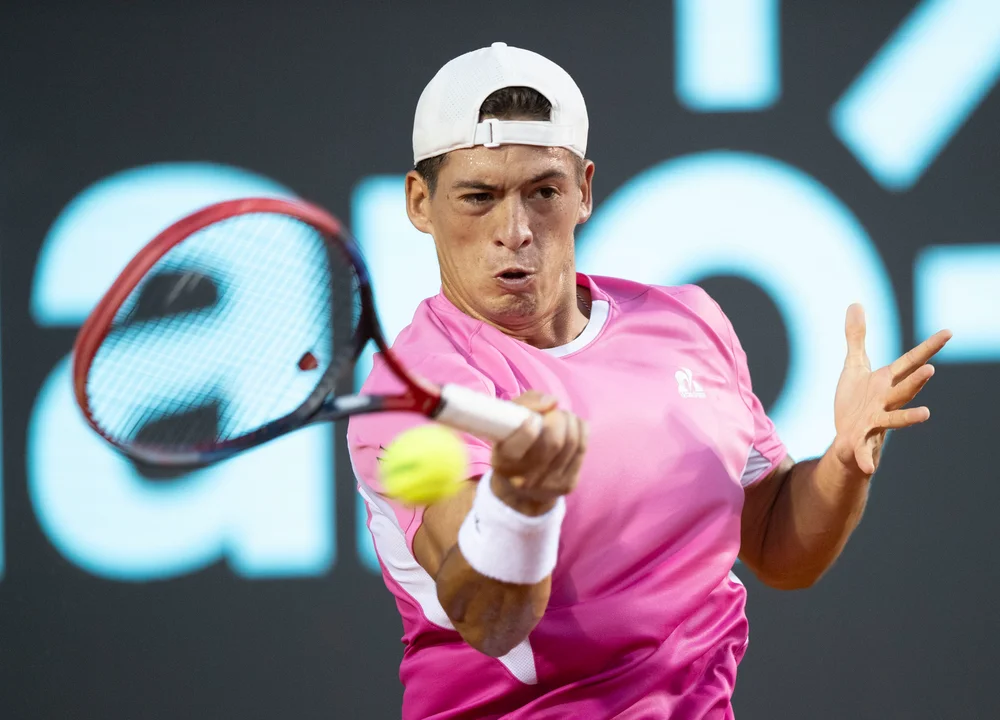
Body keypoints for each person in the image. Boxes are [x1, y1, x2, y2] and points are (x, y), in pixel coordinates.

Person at [347, 42, 951, 719]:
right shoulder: (414, 393)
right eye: (478, 198)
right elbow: (491, 622)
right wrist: (519, 503)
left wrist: (843, 463)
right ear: (420, 202)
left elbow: (779, 547)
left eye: (543, 192)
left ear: (583, 192)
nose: (514, 230)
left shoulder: (688, 323)